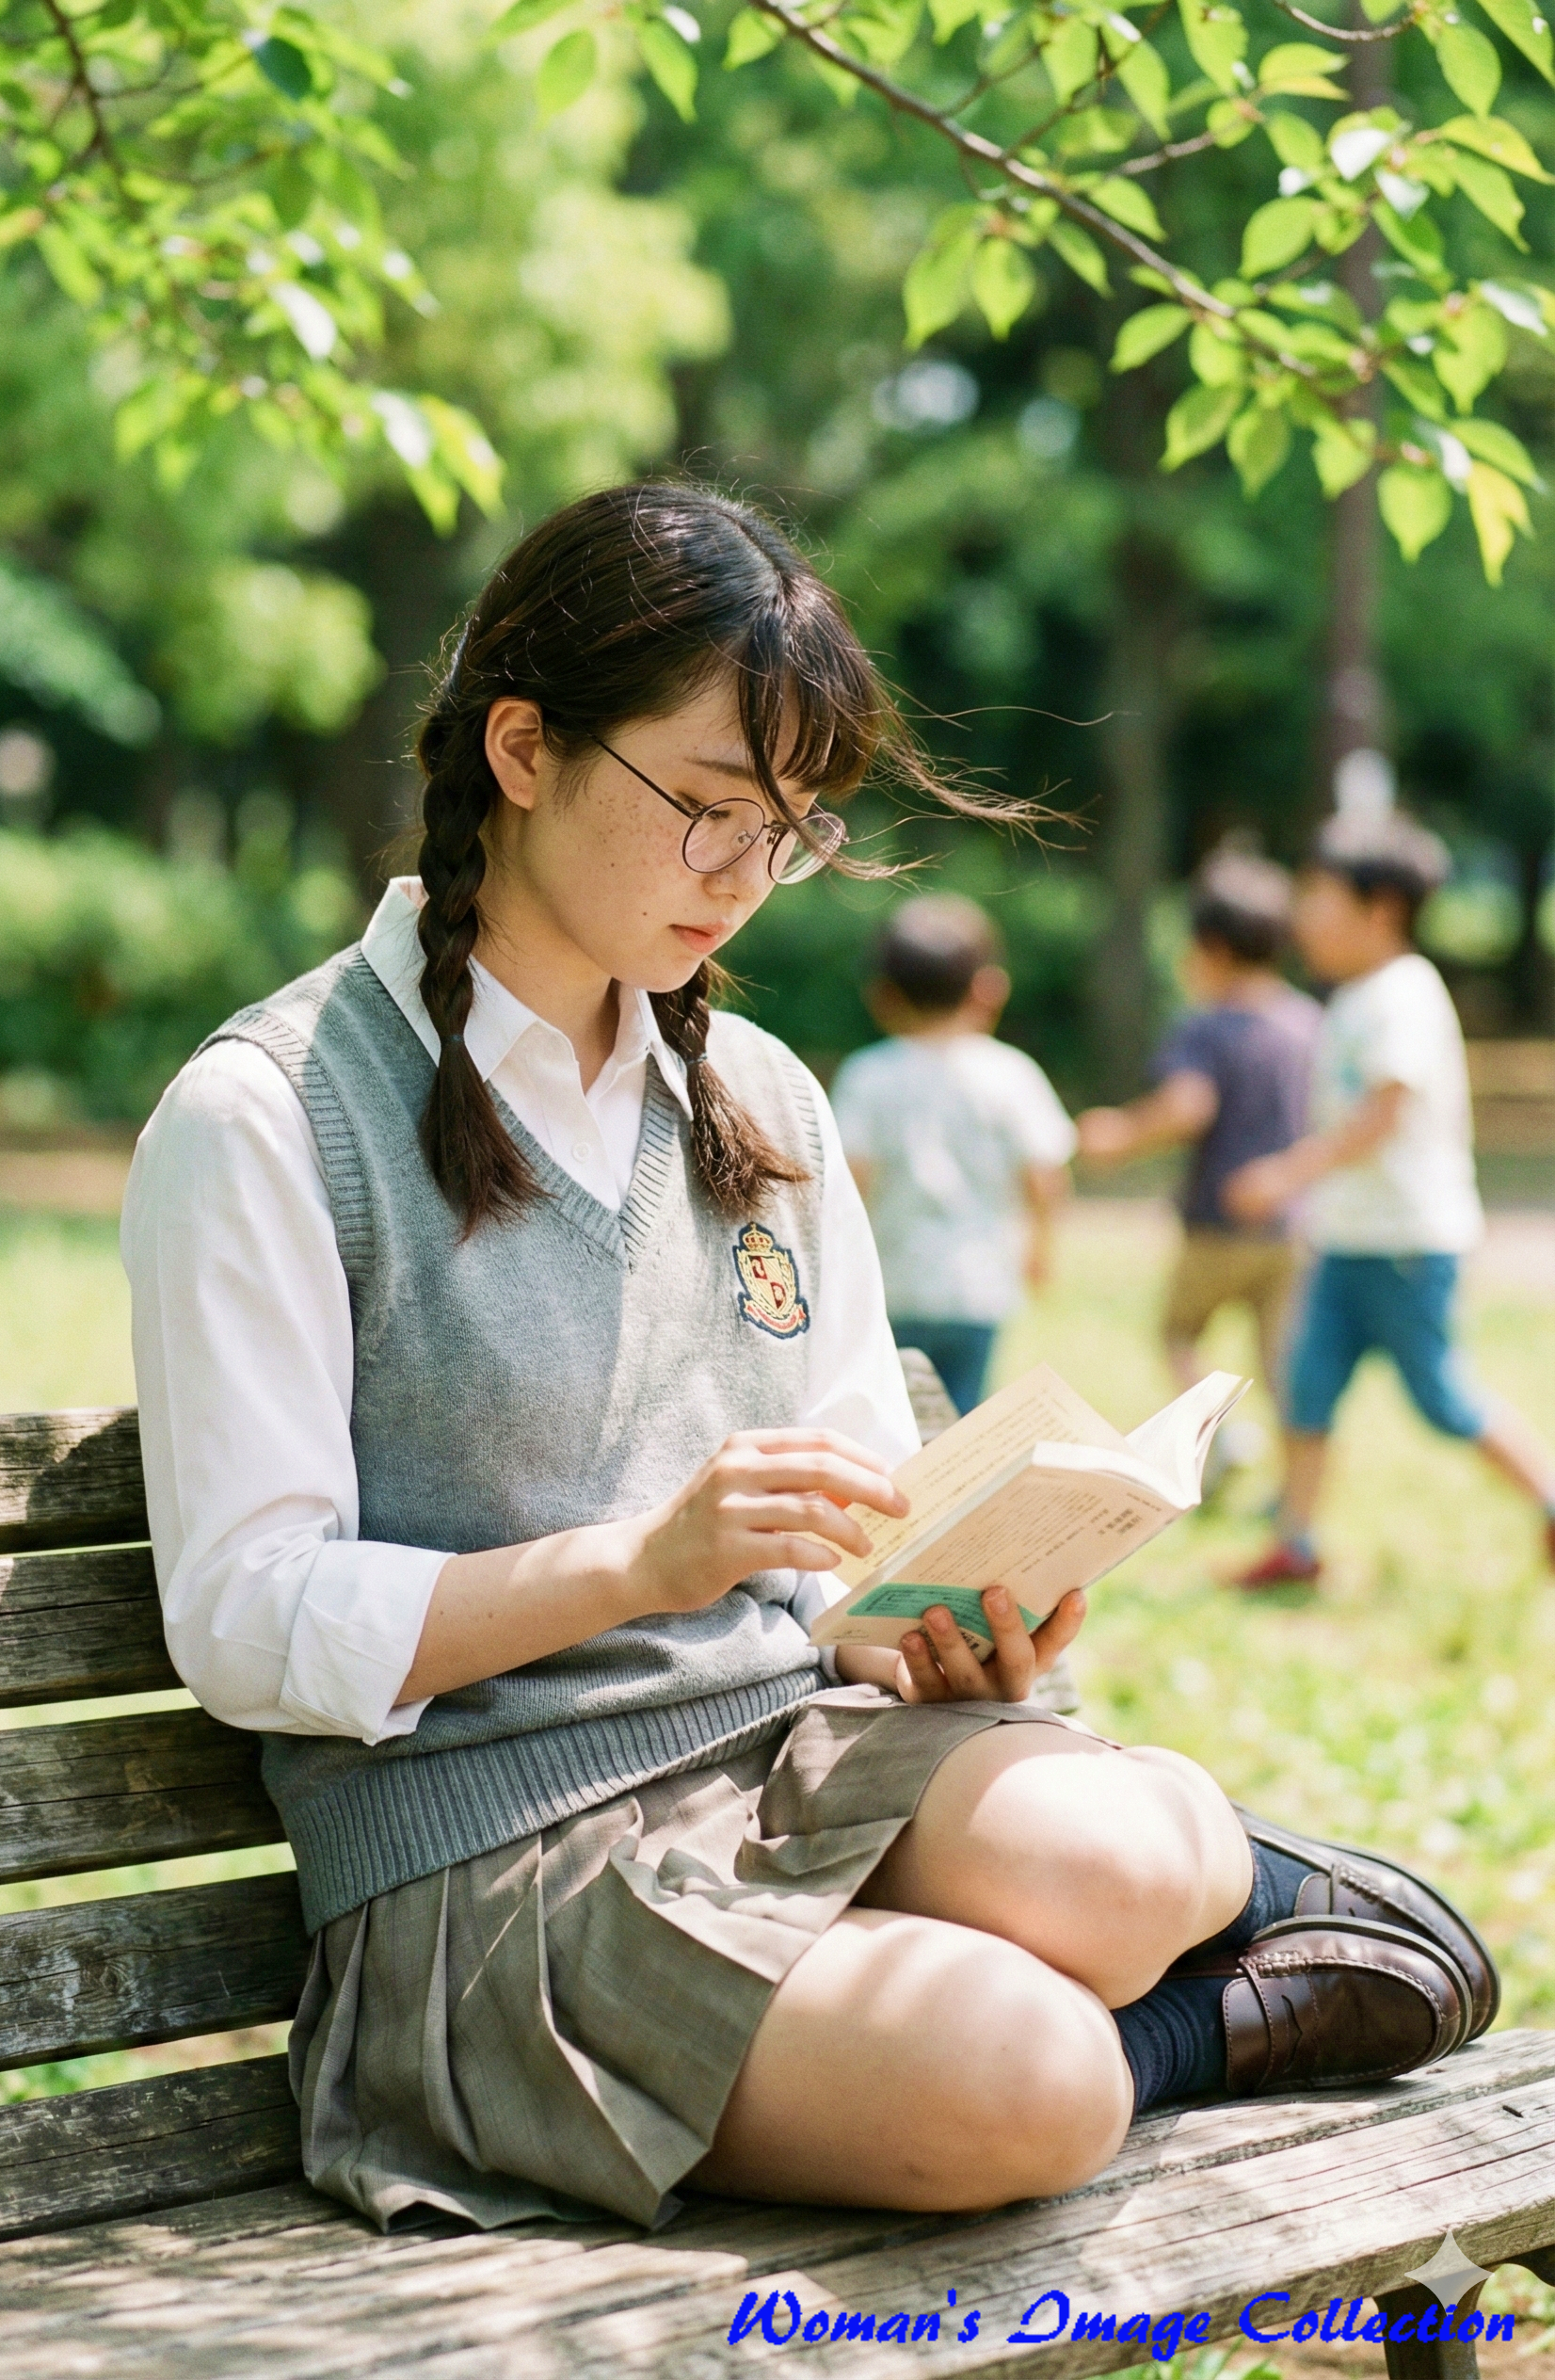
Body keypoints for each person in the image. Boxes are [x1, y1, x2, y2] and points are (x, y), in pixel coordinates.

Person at [121, 484, 1495, 2240]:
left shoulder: (759, 1096)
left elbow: (841, 1536)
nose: (746, 880)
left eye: (791, 831)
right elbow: (245, 1615)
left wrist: (919, 1616)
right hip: (496, 1868)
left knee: (1146, 1851)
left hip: (786, 1752)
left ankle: (1176, 1909)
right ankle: (1168, 2011)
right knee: (1038, 2079)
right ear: (524, 747)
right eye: (704, 810)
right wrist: (643, 1562)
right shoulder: (270, 1114)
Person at [1225, 811, 1555, 1586]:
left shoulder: (1402, 993)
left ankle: (1548, 1498)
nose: (1304, 915)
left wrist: (1285, 1175)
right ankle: (1295, 1544)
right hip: (1347, 1239)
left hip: (1410, 1242)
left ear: (1381, 911)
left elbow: (1384, 1112)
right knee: (1306, 1387)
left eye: (1320, 897)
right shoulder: (1353, 995)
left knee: (1442, 1399)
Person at [1076, 848, 1320, 1481]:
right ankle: (1295, 1487)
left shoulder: (1205, 1028)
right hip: (1292, 1227)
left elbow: (1188, 1107)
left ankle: (1227, 1441)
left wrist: (1121, 1134)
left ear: (1208, 946)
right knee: (1284, 1364)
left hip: (1217, 1223)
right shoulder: (1307, 1023)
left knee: (1178, 1336)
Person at [829, 894, 1075, 1416]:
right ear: (988, 991)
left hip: (893, 1281)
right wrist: (1041, 1248)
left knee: (893, 1416)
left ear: (883, 995)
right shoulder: (1011, 1073)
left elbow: (853, 1179)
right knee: (961, 1421)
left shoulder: (868, 1075)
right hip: (978, 1286)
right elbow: (1044, 1175)